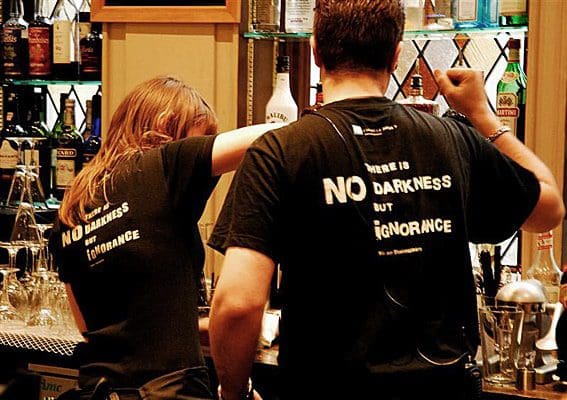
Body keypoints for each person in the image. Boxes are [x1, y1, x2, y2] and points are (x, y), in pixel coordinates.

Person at [207, 1, 566, 399]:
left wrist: (234, 392)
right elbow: (549, 209)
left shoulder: (279, 151)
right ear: (396, 55)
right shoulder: (453, 141)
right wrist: (483, 116)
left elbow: (238, 303)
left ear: (315, 50)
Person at [49, 76, 284, 400]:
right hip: (167, 390)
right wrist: (323, 123)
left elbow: (93, 329)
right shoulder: (162, 165)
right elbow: (272, 138)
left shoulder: (71, 210)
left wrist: (205, 328)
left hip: (98, 389)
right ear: (164, 126)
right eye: (201, 139)